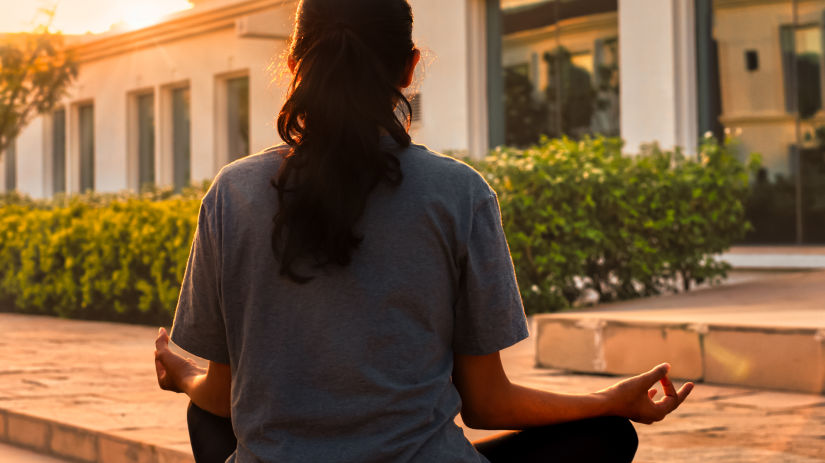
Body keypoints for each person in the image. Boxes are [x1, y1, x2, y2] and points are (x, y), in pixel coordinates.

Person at [153, 0, 693, 461]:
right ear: (409, 68)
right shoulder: (457, 192)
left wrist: (182, 374)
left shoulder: (233, 193)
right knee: (606, 436)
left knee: (208, 421)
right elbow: (485, 402)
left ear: (295, 65)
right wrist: (611, 401)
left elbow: (224, 397)